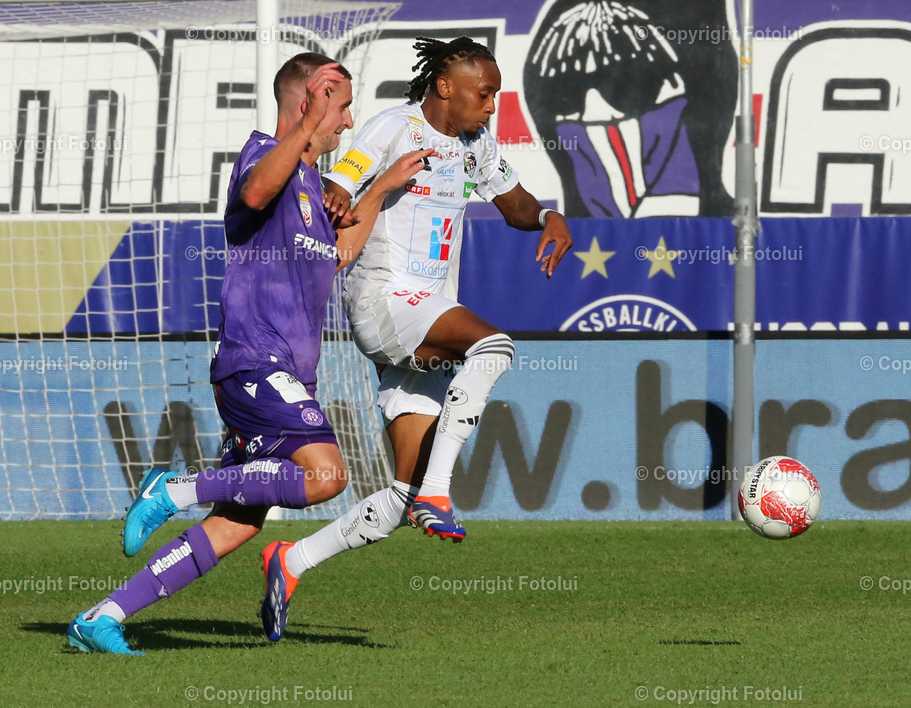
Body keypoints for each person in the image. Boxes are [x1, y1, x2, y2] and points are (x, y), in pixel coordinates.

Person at [66, 52, 433, 655]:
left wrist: (386, 184)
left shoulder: (312, 185)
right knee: (326, 476)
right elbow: (260, 187)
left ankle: (101, 617)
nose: (346, 123)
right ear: (307, 100)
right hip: (255, 362)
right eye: (338, 107)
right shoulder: (264, 153)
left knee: (235, 524)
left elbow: (339, 252)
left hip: (285, 373)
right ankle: (173, 490)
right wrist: (305, 124)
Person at [257, 36, 574, 642]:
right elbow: (342, 185)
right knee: (494, 347)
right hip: (384, 300)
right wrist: (345, 192)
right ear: (446, 88)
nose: (492, 107)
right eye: (485, 95)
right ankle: (440, 492)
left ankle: (289, 562)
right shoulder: (389, 129)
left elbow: (512, 204)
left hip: (426, 316)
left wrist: (546, 217)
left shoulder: (475, 142)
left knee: (398, 497)